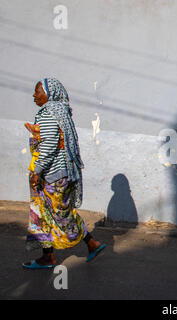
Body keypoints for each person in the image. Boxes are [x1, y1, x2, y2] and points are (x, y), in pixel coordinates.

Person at [23, 78, 106, 269]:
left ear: (49, 93)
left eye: (38, 91)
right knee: (47, 214)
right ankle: (49, 256)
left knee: (58, 215)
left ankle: (90, 243)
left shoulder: (48, 113)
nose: (34, 95)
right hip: (62, 173)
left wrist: (37, 171)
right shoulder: (62, 111)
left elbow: (50, 145)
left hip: (51, 174)